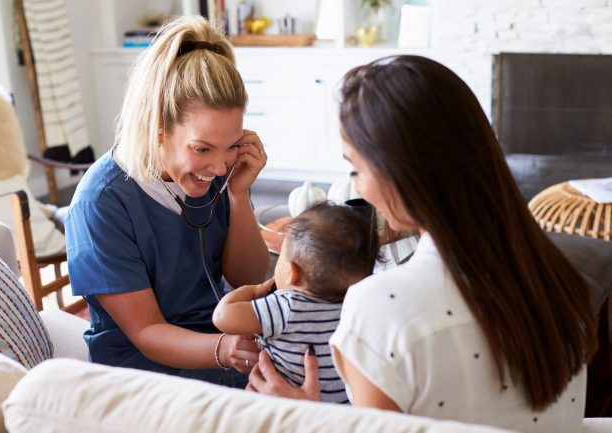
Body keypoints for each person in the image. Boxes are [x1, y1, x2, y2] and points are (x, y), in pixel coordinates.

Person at [247, 55, 598, 432]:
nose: (359, 187)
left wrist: (310, 417)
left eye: (356, 169)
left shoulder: (379, 307)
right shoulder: (561, 282)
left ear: (396, 173)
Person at [65, 15, 269, 388]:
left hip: (219, 339)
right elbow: (147, 333)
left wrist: (238, 196)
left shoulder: (221, 173)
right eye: (202, 148)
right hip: (142, 370)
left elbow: (249, 277)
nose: (219, 165)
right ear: (156, 127)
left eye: (230, 146)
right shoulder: (102, 202)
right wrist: (225, 349)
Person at [212, 202, 380, 403]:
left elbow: (222, 317)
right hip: (342, 411)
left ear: (292, 272)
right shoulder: (358, 309)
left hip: (284, 408)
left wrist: (253, 290)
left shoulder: (287, 306)